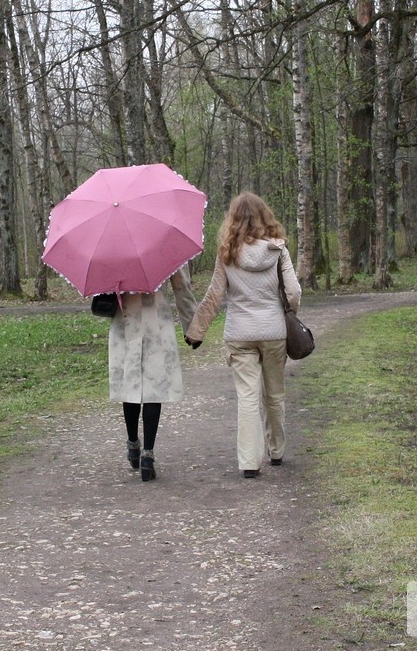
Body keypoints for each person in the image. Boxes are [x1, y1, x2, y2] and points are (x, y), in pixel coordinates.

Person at [184, 192, 302, 479]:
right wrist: (290, 313)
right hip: (274, 331)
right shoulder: (278, 251)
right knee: (274, 393)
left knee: (247, 397)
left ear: (232, 220)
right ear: (265, 217)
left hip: (239, 333)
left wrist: (196, 331)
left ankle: (250, 462)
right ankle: (277, 450)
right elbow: (294, 292)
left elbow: (214, 295)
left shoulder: (227, 253)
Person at [109, 264, 197, 482]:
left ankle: (133, 444)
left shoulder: (114, 248)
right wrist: (192, 328)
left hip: (125, 319)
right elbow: (182, 288)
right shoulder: (164, 246)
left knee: (130, 384)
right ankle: (148, 455)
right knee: (153, 388)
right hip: (156, 321)